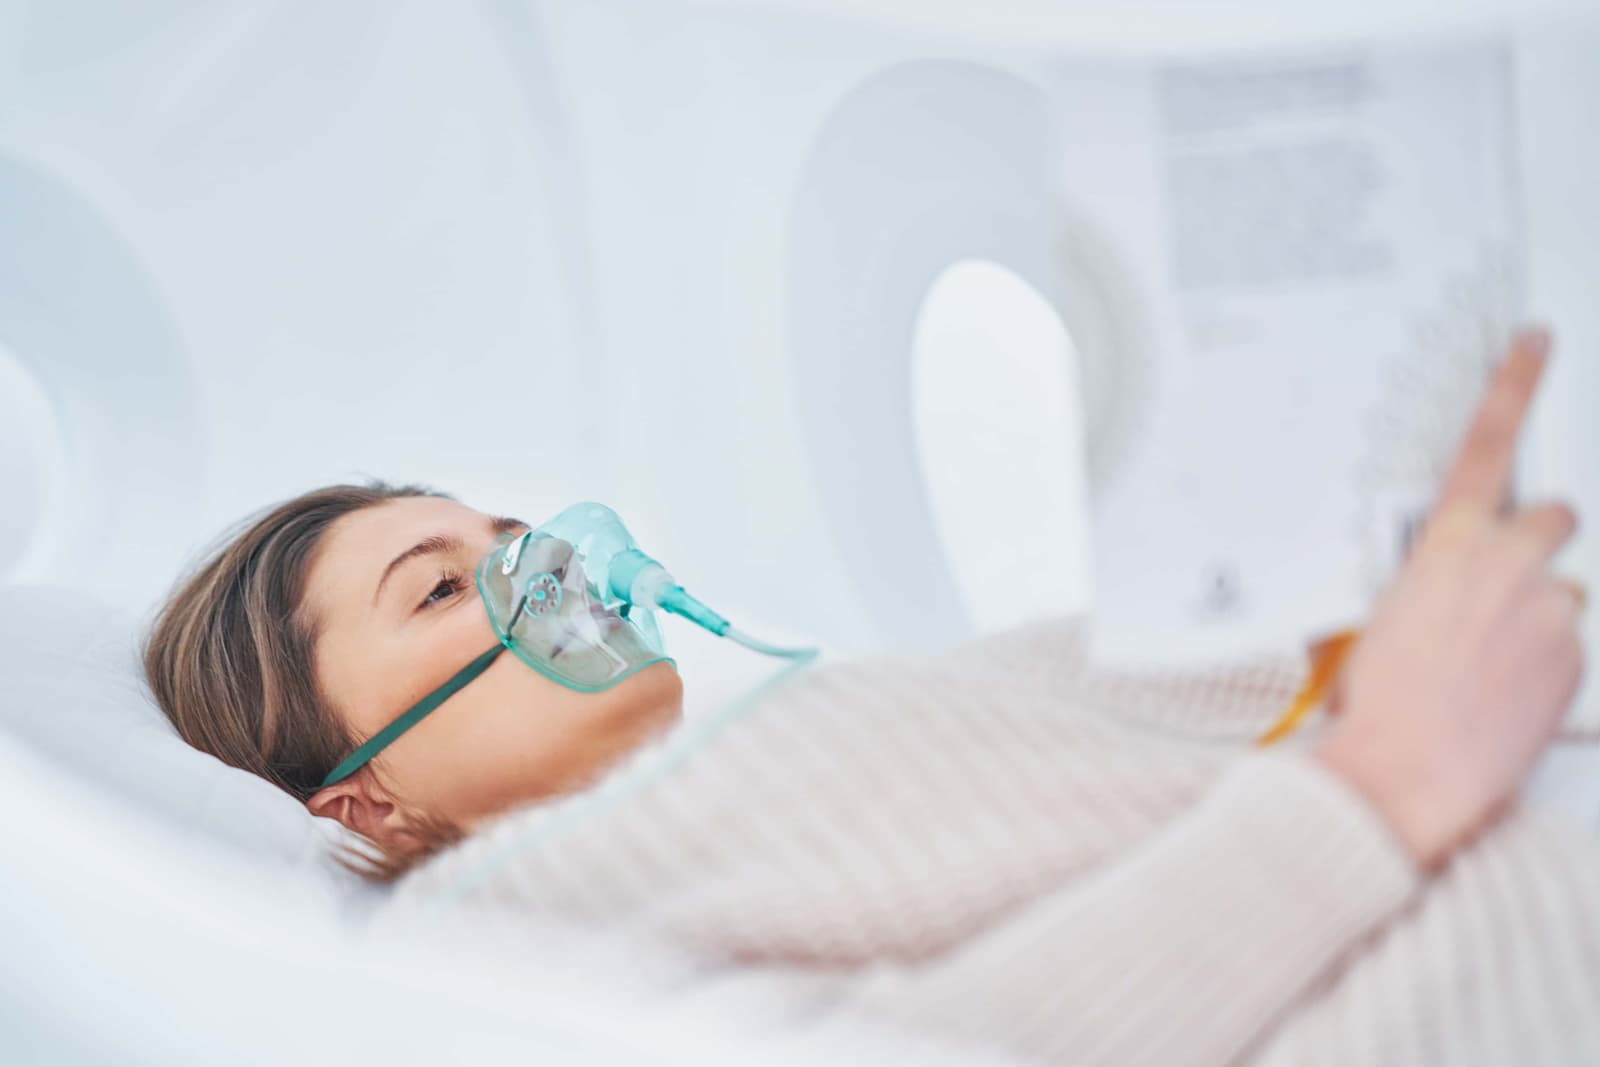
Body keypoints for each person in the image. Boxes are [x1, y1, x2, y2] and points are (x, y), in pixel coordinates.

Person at [144, 327, 1595, 1065]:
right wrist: (1384, 785)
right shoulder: (494, 954)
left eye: (507, 536)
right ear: (369, 800)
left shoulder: (745, 756)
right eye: (445, 590)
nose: (545, 566)